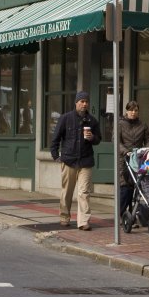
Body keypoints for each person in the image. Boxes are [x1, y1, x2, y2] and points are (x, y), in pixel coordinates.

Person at [50, 91, 102, 231]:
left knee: (84, 192)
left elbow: (98, 139)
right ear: (76, 103)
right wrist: (56, 156)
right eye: (82, 101)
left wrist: (92, 138)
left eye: (86, 101)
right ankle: (64, 216)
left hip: (85, 161)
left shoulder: (92, 121)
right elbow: (55, 139)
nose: (84, 104)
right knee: (67, 191)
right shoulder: (66, 118)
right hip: (68, 160)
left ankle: (83, 221)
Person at [117, 100, 149, 222]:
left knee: (138, 189)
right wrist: (126, 151)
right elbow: (116, 141)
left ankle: (134, 215)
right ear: (127, 111)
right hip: (124, 160)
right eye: (131, 110)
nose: (133, 112)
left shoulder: (142, 125)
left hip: (139, 160)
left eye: (135, 110)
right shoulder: (120, 124)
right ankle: (121, 215)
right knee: (126, 189)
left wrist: (147, 150)